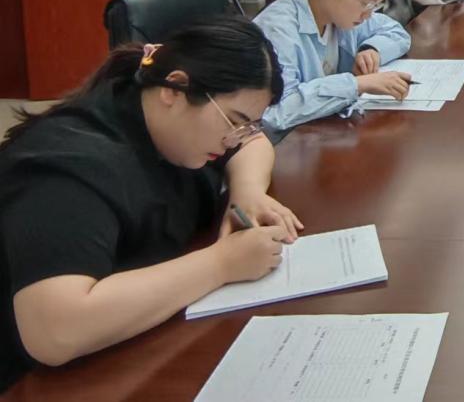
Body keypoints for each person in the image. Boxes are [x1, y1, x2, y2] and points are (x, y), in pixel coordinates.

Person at [0, 19, 301, 391]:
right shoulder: (67, 168)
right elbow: (54, 332)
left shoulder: (165, 118)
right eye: (235, 121)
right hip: (44, 382)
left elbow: (253, 145)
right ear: (175, 88)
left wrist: (248, 192)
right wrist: (221, 264)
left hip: (143, 341)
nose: (234, 139)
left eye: (248, 125)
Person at [254, 0, 413, 135]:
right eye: (366, 3)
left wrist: (372, 49)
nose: (368, 14)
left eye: (375, 5)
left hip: (326, 130)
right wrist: (356, 85)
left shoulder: (339, 11)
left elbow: (396, 32)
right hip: (288, 142)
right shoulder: (277, 30)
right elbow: (275, 112)